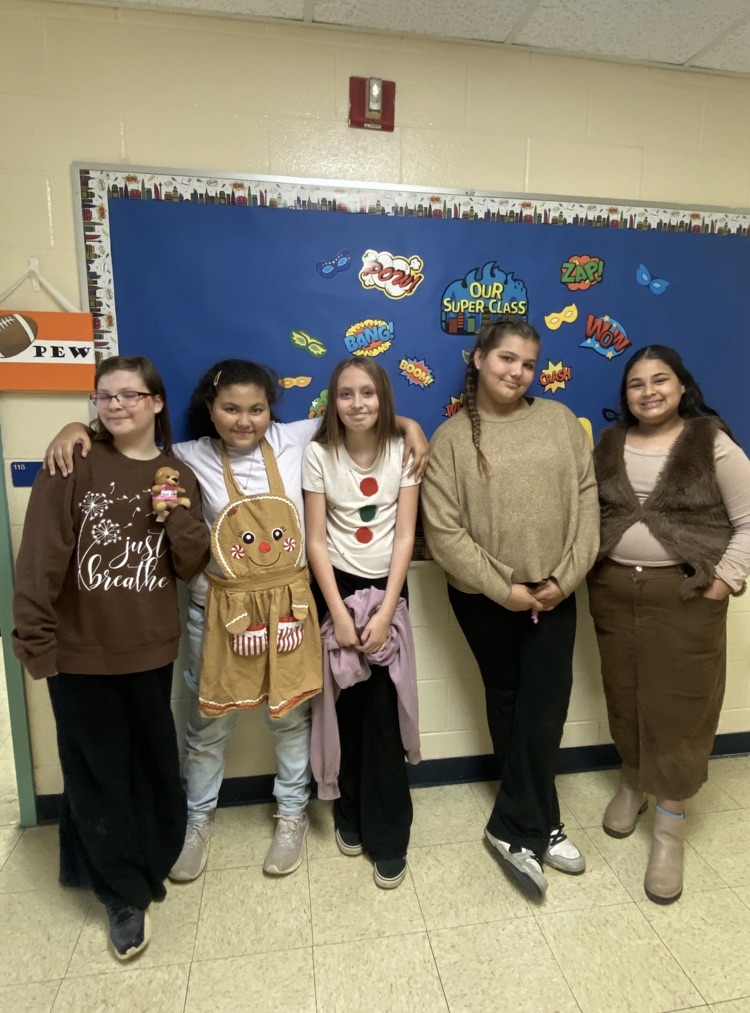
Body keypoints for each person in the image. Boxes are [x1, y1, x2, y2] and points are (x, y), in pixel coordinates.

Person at [45, 358, 428, 883]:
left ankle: (291, 815)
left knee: (290, 719)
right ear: (210, 409)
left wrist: (412, 425)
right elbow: (126, 439)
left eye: (256, 409)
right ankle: (196, 821)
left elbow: (364, 417)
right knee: (208, 726)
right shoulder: (185, 456)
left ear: (272, 410)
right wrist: (77, 428)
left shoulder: (296, 440)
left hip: (290, 611)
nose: (244, 420)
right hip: (219, 612)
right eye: (230, 409)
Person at [12, 356, 209, 961]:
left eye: (130, 395)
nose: (116, 405)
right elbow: (40, 556)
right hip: (79, 653)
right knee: (96, 770)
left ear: (156, 402)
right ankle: (121, 895)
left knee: (149, 760)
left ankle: (149, 853)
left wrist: (174, 515)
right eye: (104, 396)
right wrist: (35, 640)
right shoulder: (72, 462)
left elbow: (191, 563)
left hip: (149, 648)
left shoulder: (176, 473)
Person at [421, 317, 599, 900]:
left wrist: (564, 579)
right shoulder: (450, 438)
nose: (517, 372)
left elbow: (587, 501)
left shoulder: (558, 423)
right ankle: (541, 824)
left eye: (527, 363)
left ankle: (511, 827)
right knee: (509, 701)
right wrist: (507, 589)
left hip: (557, 591)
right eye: (506, 360)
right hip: (485, 598)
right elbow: (444, 533)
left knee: (545, 707)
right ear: (478, 359)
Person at [587, 344, 750, 904]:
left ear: (682, 387)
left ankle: (670, 823)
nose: (648, 391)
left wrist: (725, 580)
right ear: (626, 395)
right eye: (636, 383)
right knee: (625, 693)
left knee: (679, 704)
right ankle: (633, 780)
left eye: (660, 380)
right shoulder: (608, 444)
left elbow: (749, 520)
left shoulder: (711, 443)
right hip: (612, 591)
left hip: (685, 595)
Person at [303, 357, 421, 889]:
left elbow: (404, 537)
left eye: (367, 393)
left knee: (382, 714)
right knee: (342, 711)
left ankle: (390, 833)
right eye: (345, 394)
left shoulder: (404, 449)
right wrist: (335, 611)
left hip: (389, 592)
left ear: (383, 398)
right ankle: (348, 812)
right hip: (337, 591)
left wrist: (389, 606)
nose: (357, 404)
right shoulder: (317, 453)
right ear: (333, 401)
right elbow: (315, 541)